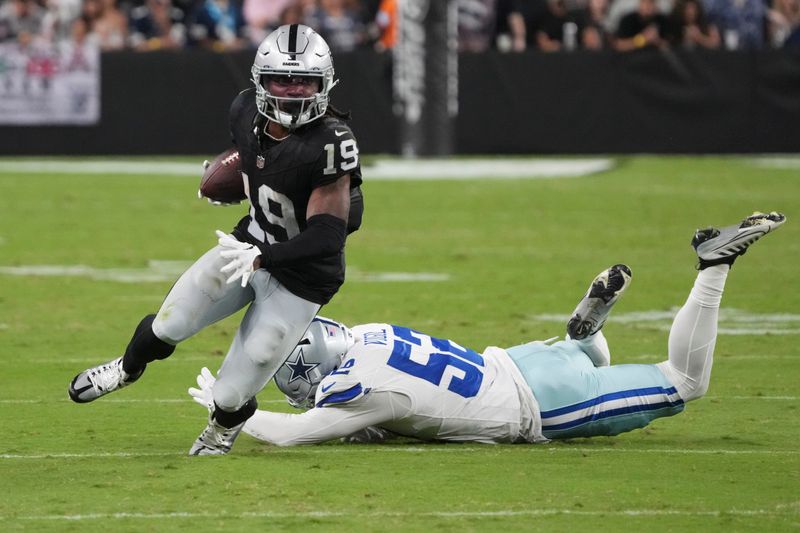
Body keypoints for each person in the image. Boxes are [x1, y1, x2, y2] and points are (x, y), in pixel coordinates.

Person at [188, 212, 786, 446]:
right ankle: (586, 327)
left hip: (539, 405)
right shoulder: (368, 335)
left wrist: (232, 410)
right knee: (594, 357)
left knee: (685, 382)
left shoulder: (356, 394)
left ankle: (713, 266)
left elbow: (295, 435)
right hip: (518, 360)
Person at [68, 24, 364, 456]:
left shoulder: (332, 143)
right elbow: (255, 158)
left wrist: (265, 256)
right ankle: (126, 369)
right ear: (260, 82)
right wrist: (234, 183)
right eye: (283, 79)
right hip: (248, 243)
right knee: (171, 322)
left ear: (325, 84)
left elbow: (328, 235)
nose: (294, 91)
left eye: (305, 81)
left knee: (229, 395)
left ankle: (225, 426)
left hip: (302, 276)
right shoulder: (244, 110)